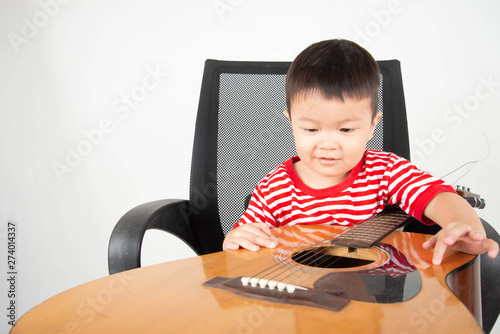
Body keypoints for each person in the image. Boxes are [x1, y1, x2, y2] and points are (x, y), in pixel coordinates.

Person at [222, 39, 498, 265]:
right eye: (311, 130)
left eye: (345, 130)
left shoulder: (386, 172)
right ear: (291, 123)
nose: (328, 144)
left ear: (371, 126)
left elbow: (438, 197)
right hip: (294, 303)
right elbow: (247, 243)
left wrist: (460, 225)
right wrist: (234, 239)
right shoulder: (273, 188)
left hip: (374, 304)